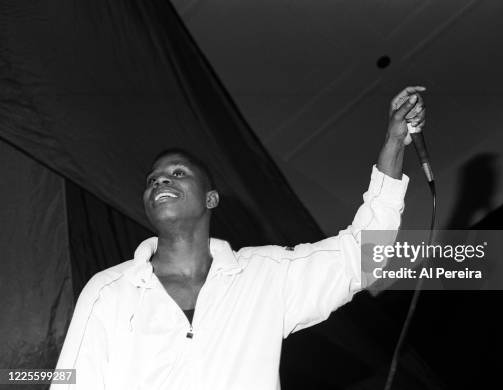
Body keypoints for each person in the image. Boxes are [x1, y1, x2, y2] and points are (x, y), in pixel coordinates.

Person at [53, 86, 426, 389]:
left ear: (211, 198)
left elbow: (362, 255)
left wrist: (393, 145)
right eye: (152, 180)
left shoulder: (265, 276)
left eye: (178, 173)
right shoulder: (109, 290)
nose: (160, 181)